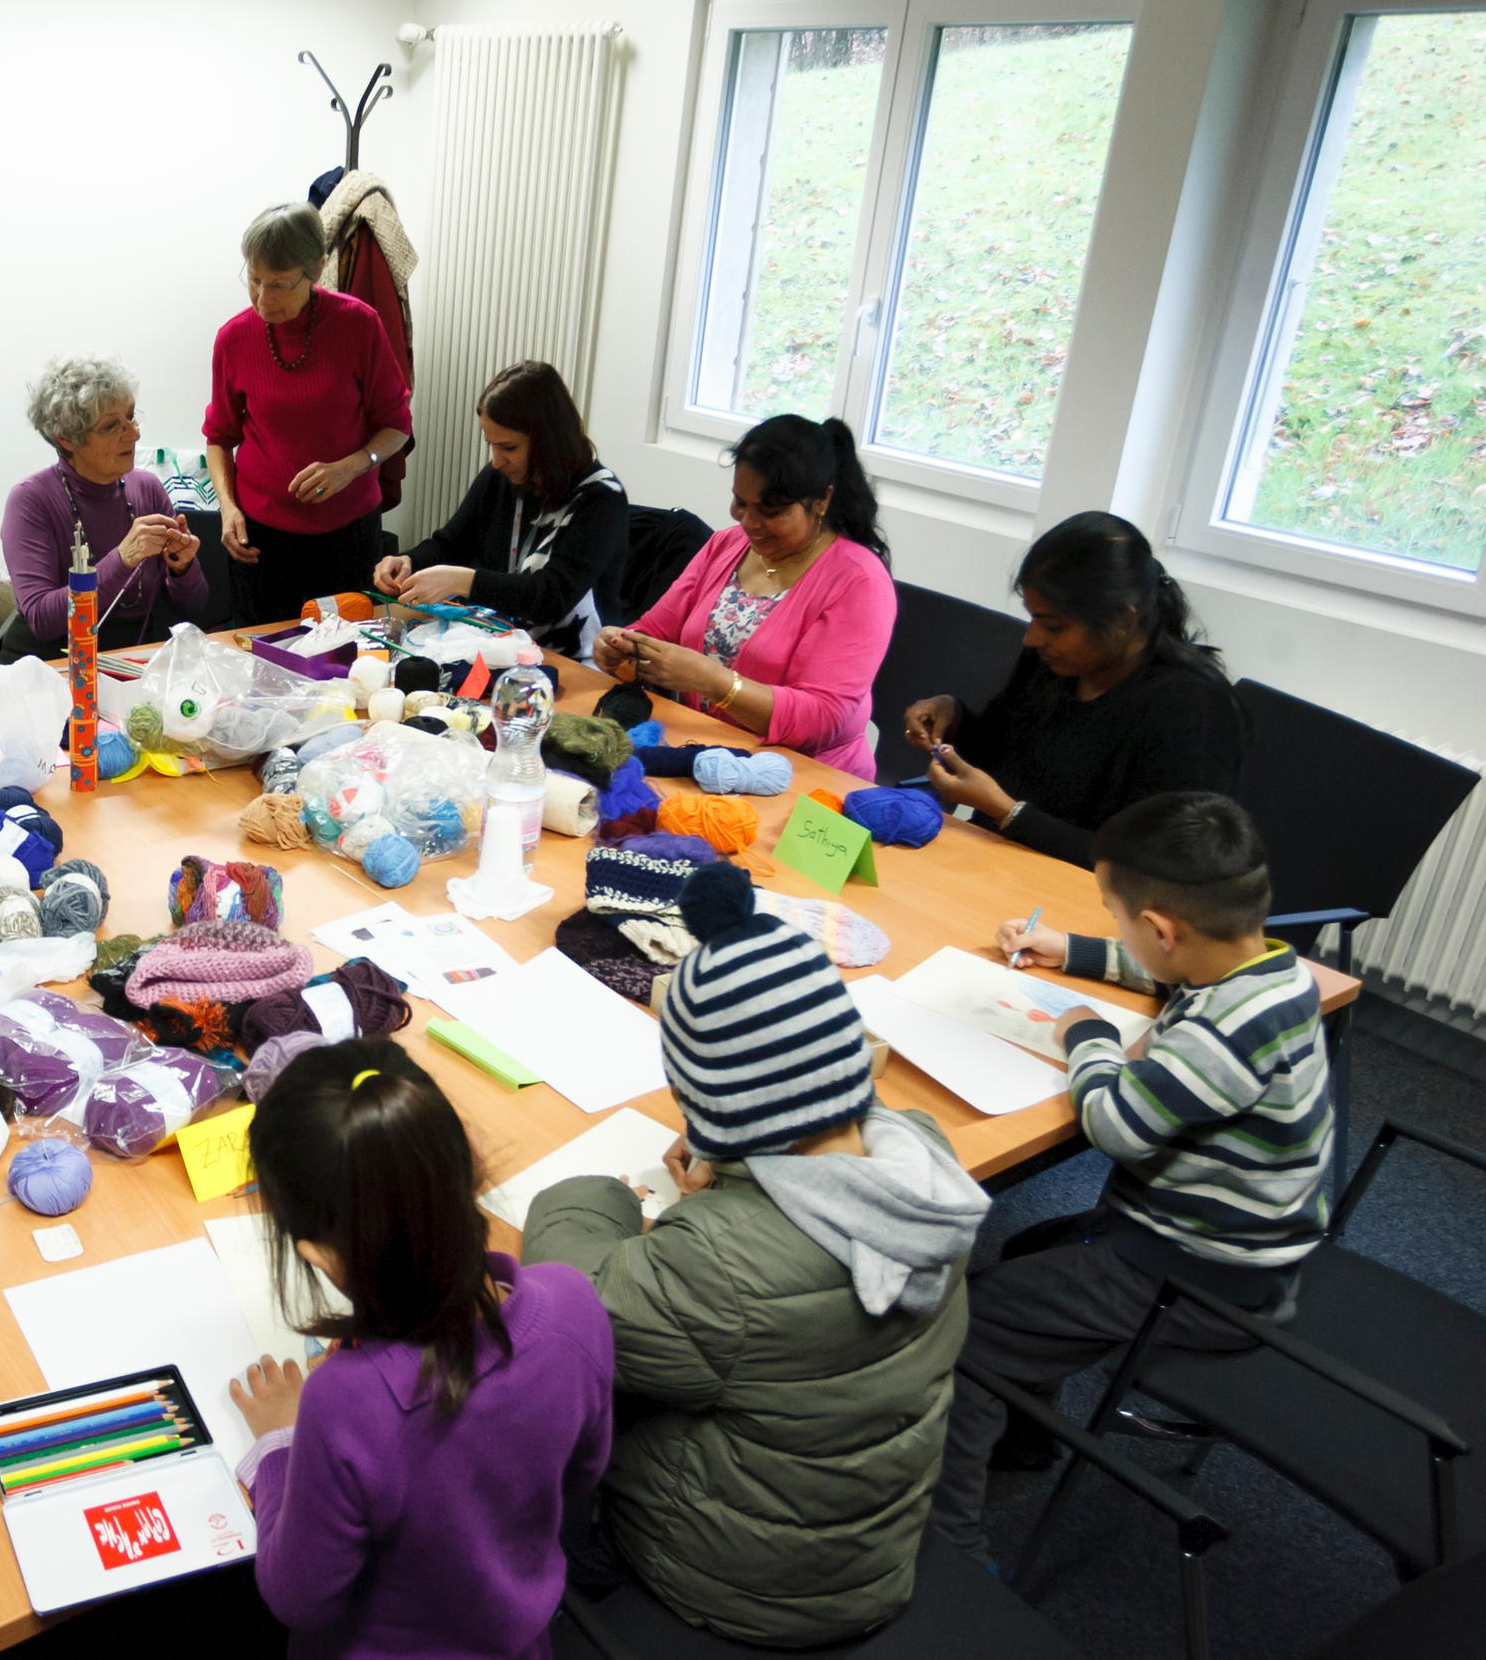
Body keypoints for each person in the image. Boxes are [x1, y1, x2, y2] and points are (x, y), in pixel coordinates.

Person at [524, 862, 987, 1647]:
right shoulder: (928, 1163)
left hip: (739, 1582)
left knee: (543, 1434)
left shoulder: (720, 1264)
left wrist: (590, 1193)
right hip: (865, 1544)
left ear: (719, 1109)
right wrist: (735, 1174)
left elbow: (572, 1296)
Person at [934, 792, 1331, 1566]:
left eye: (1116, 917)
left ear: (1160, 929)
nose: (1117, 929)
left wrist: (1087, 1036)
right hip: (1232, 1240)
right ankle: (1023, 1432)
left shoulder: (1222, 1032)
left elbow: (1115, 1123)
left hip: (1201, 1273)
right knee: (1025, 1259)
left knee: (967, 1327)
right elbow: (1173, 973)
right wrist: (1074, 949)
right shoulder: (1267, 970)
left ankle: (951, 1542)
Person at [226, 1038, 612, 1658]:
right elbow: (584, 1472)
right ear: (470, 1158)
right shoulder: (571, 1302)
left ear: (318, 1254)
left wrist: (277, 1445)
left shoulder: (342, 1400)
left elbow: (299, 1596)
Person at [902, 512, 1244, 868]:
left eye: (1053, 626)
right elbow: (998, 756)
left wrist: (1009, 813)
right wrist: (954, 719)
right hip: (996, 864)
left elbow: (1155, 866)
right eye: (1033, 618)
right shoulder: (1049, 665)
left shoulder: (1192, 708)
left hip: (1096, 904)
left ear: (1123, 621)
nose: (1031, 638)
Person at [592, 415, 894, 780]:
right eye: (740, 503)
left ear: (822, 500)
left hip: (805, 781)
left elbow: (824, 717)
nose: (749, 522)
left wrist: (714, 681)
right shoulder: (727, 545)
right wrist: (620, 646)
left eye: (771, 511)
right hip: (710, 756)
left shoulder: (858, 580)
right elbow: (655, 629)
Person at [204, 202, 413, 624]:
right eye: (255, 280)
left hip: (347, 537)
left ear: (317, 269)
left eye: (279, 284)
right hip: (261, 542)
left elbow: (397, 427)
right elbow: (219, 437)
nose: (263, 298)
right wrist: (228, 508)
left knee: (344, 662)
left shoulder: (359, 326)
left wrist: (351, 467)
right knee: (260, 660)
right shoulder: (233, 339)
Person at [372, 360, 659, 661]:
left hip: (574, 660)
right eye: (491, 445)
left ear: (550, 441)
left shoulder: (602, 499)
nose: (497, 461)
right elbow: (451, 543)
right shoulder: (501, 477)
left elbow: (550, 597)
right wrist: (407, 561)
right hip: (498, 643)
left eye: (509, 448)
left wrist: (462, 581)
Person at [0, 355, 205, 655]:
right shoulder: (30, 501)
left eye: (131, 416)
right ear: (67, 438)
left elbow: (194, 607)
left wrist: (182, 568)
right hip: (53, 663)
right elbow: (42, 619)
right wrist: (123, 558)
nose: (134, 433)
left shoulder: (147, 487)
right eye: (111, 426)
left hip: (131, 658)